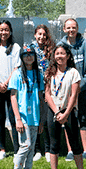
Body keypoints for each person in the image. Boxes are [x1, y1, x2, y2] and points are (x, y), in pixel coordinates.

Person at [45, 42, 86, 169]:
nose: (59, 56)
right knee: (54, 143)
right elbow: (47, 95)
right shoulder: (49, 73)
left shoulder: (73, 73)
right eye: (57, 54)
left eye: (62, 53)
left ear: (68, 56)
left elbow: (74, 95)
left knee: (75, 142)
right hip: (53, 111)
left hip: (68, 111)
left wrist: (65, 114)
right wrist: (57, 112)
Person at [58, 17, 86, 159]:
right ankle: (71, 151)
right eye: (68, 27)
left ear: (77, 28)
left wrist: (81, 85)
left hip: (82, 89)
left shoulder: (85, 44)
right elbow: (57, 67)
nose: (71, 30)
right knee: (68, 118)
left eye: (73, 27)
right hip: (66, 91)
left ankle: (85, 150)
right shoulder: (61, 45)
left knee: (83, 117)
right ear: (64, 29)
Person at [8, 44, 43, 169]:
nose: (28, 57)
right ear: (21, 57)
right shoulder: (17, 74)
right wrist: (17, 119)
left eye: (31, 54)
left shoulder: (38, 74)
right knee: (25, 145)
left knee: (31, 148)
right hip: (22, 117)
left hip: (35, 116)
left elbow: (41, 97)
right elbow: (13, 97)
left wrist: (41, 120)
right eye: (25, 54)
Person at [0, 20, 20, 160]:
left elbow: (16, 67)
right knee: (0, 119)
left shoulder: (15, 47)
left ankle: (18, 149)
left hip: (11, 88)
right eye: (1, 30)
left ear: (10, 31)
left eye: (6, 30)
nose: (3, 32)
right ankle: (2, 149)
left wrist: (6, 83)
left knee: (13, 118)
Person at [31, 23, 55, 161]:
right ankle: (37, 149)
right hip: (34, 87)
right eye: (39, 34)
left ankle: (47, 149)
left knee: (45, 119)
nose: (41, 37)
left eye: (44, 34)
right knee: (35, 117)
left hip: (47, 87)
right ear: (35, 35)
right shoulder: (30, 48)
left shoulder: (50, 49)